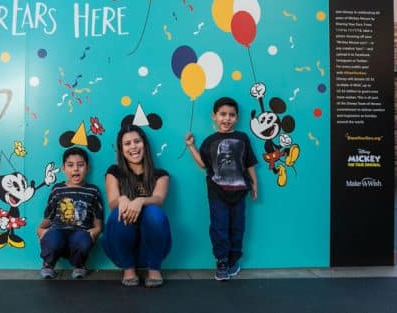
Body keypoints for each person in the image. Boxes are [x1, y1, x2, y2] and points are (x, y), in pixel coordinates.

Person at [184, 96, 258, 281]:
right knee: (219, 227)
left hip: (239, 192)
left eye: (231, 115)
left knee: (238, 227)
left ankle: (234, 259)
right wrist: (191, 146)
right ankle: (222, 261)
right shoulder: (210, 141)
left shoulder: (242, 138)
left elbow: (249, 163)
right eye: (222, 114)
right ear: (214, 116)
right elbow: (203, 164)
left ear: (237, 118)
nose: (226, 118)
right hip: (217, 193)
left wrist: (255, 184)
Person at [102, 124, 171, 288]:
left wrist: (140, 200)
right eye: (127, 143)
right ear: (121, 149)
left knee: (154, 211)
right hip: (120, 248)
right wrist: (122, 199)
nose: (133, 147)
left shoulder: (161, 175)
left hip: (152, 249)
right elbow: (113, 203)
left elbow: (159, 199)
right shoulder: (114, 172)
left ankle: (154, 269)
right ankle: (129, 270)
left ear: (144, 144)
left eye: (137, 141)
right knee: (120, 210)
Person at [37, 147, 103, 279]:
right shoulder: (57, 189)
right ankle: (48, 264)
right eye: (70, 165)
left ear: (87, 168)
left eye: (80, 165)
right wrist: (41, 229)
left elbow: (98, 216)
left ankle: (79, 265)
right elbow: (49, 215)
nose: (76, 169)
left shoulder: (93, 190)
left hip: (80, 233)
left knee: (82, 240)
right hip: (58, 231)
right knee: (52, 240)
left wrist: (96, 231)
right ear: (64, 169)